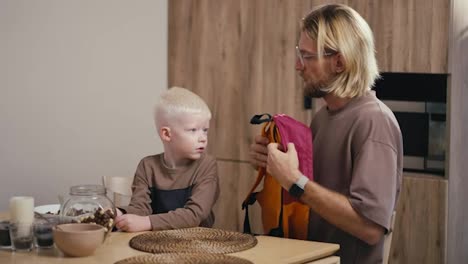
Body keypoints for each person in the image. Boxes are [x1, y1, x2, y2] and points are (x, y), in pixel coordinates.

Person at [250, 4, 403, 263]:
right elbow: (314, 196)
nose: (298, 66)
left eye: (307, 56)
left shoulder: (374, 122)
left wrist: (294, 180)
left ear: (339, 62)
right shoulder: (323, 117)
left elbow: (370, 229)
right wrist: (273, 163)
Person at [115, 86, 220, 232]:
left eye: (205, 130)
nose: (203, 138)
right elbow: (140, 208)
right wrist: (120, 214)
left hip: (197, 242)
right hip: (156, 240)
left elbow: (194, 214)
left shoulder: (207, 165)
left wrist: (147, 223)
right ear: (166, 134)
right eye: (193, 130)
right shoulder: (147, 166)